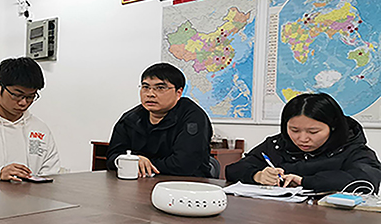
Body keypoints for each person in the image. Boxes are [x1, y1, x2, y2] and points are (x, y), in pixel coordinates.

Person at [226, 93, 381, 193]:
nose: (302, 138)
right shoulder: (277, 144)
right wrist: (257, 175)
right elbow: (234, 169)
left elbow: (366, 182)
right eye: (294, 130)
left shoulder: (354, 150)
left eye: (313, 132)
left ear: (333, 127)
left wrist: (303, 181)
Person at [106, 63, 213, 178]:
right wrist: (134, 160)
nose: (150, 94)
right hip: (140, 183)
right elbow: (112, 157)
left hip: (188, 183)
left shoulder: (193, 117)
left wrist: (137, 164)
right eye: (145, 87)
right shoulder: (130, 119)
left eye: (160, 88)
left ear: (179, 93)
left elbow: (184, 164)